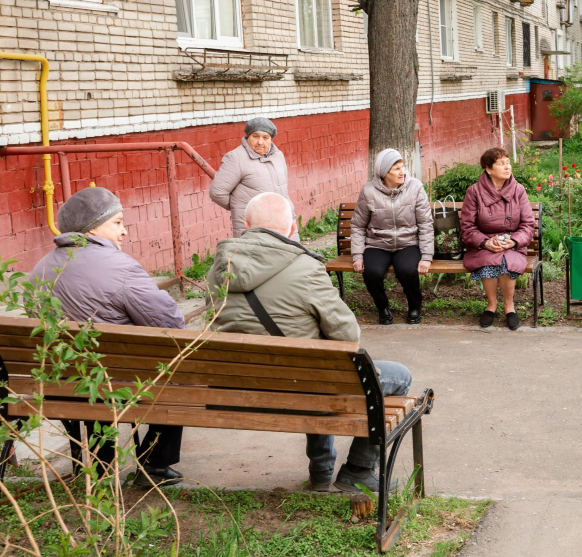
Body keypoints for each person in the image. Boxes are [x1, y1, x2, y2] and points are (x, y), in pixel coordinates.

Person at [207, 192, 411, 493]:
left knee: (313, 370)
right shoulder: (306, 268)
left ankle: (321, 474)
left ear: (246, 224)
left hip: (240, 390)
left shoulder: (218, 269)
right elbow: (348, 335)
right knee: (395, 376)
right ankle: (358, 469)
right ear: (292, 230)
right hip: (304, 387)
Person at [29, 187, 186, 486]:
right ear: (92, 227)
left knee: (81, 373)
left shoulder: (40, 268)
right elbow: (170, 326)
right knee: (175, 368)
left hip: (60, 382)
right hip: (117, 381)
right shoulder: (121, 267)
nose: (124, 231)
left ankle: (93, 463)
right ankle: (154, 463)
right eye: (117, 222)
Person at [350, 149, 433, 325]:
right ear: (384, 172)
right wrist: (357, 256)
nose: (402, 172)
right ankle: (383, 307)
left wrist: (426, 256)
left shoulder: (415, 187)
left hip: (407, 242)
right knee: (371, 273)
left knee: (408, 270)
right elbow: (358, 225)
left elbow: (426, 223)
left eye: (402, 167)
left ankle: (414, 306)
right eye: (396, 169)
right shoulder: (368, 191)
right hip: (378, 243)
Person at [461, 147, 535, 330]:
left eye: (508, 162)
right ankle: (491, 304)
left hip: (513, 243)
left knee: (506, 260)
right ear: (488, 168)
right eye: (501, 164)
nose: (507, 167)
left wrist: (514, 241)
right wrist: (485, 242)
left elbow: (528, 224)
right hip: (483, 243)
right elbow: (467, 226)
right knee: (489, 261)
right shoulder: (474, 192)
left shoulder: (518, 190)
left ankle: (509, 306)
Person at [209, 117, 297, 239]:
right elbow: (217, 192)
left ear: (271, 139)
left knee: (289, 256)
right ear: (248, 137)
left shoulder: (278, 156)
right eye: (255, 136)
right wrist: (241, 207)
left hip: (284, 223)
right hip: (254, 228)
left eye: (265, 138)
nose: (260, 142)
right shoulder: (236, 158)